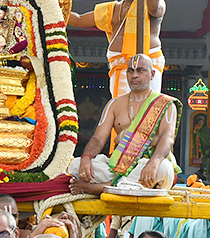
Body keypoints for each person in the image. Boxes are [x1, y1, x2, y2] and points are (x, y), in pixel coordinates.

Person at [69, 54, 179, 193]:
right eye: (130, 71)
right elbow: (98, 138)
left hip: (148, 164)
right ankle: (120, 186)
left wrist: (154, 163)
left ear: (152, 74)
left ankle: (94, 188)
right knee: (75, 165)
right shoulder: (114, 104)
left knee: (164, 169)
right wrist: (86, 158)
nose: (134, 75)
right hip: (120, 166)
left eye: (140, 70)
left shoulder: (165, 104)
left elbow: (167, 138)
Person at [67, 0, 166, 98]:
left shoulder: (150, 1)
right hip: (118, 66)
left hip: (145, 65)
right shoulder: (112, 9)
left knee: (145, 112)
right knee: (121, 113)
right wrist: (51, 10)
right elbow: (79, 19)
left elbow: (156, 9)